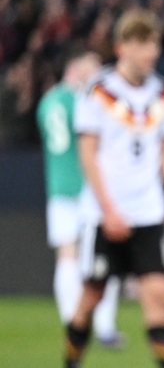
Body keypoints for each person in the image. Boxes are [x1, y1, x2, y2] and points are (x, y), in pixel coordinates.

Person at [64, 9, 164, 368]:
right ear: (122, 47)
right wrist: (109, 209)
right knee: (92, 297)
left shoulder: (162, 92)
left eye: (154, 43)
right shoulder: (99, 89)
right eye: (143, 43)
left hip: (148, 212)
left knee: (159, 296)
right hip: (105, 215)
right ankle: (70, 362)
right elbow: (88, 154)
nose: (151, 51)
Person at [36, 45, 125, 350]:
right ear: (75, 68)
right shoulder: (84, 99)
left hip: (58, 188)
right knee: (106, 254)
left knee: (67, 256)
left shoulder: (47, 102)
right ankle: (104, 326)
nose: (99, 74)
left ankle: (71, 319)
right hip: (89, 188)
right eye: (92, 67)